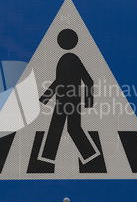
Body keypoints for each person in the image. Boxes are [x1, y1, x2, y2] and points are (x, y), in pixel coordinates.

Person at [39, 28, 98, 162]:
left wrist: (88, 103)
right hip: (64, 101)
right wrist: (45, 98)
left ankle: (90, 156)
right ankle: (89, 155)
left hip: (70, 101)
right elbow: (59, 81)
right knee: (64, 128)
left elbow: (89, 81)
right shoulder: (67, 59)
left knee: (70, 128)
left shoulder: (71, 59)